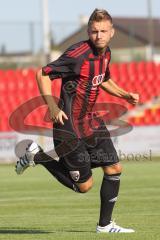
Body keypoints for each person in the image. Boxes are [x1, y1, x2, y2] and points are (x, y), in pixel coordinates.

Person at [15, 9, 139, 233]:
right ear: (88, 31)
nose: (98, 35)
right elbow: (42, 74)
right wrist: (52, 106)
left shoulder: (106, 53)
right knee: (84, 186)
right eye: (94, 31)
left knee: (113, 168)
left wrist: (124, 94)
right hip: (69, 125)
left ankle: (105, 225)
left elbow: (104, 79)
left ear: (111, 33)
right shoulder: (77, 54)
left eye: (103, 31)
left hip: (91, 122)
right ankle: (38, 156)